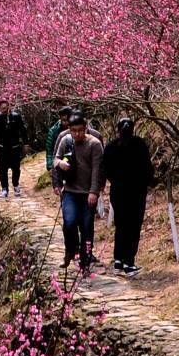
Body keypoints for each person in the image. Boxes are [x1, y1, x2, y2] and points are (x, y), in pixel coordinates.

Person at [50, 113, 105, 272]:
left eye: (80, 130)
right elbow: (55, 159)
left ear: (85, 128)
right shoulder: (65, 141)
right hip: (70, 191)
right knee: (69, 222)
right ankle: (70, 250)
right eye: (74, 131)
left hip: (88, 192)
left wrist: (94, 192)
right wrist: (60, 164)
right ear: (69, 129)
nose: (77, 134)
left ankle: (85, 261)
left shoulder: (94, 144)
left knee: (87, 227)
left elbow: (97, 169)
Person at [103, 116, 154, 275]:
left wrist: (116, 181)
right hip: (136, 192)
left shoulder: (111, 146)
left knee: (121, 225)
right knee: (133, 226)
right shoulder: (139, 144)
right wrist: (150, 182)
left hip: (118, 191)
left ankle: (118, 260)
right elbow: (147, 168)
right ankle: (128, 262)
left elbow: (106, 169)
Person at [0, 104, 29, 198]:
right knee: (2, 170)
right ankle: (4, 188)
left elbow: (23, 130)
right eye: (2, 109)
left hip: (14, 147)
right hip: (2, 147)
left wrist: (26, 143)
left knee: (16, 168)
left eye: (6, 108)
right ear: (0, 109)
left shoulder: (16, 117)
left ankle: (16, 185)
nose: (4, 110)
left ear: (9, 107)